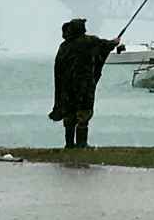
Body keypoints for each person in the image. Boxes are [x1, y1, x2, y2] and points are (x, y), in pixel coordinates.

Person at [48, 18, 120, 148]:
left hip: (66, 87)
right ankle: (82, 144)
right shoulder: (89, 42)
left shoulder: (64, 46)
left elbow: (59, 67)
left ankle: (69, 144)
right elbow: (105, 46)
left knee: (69, 115)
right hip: (84, 86)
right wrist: (115, 42)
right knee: (84, 113)